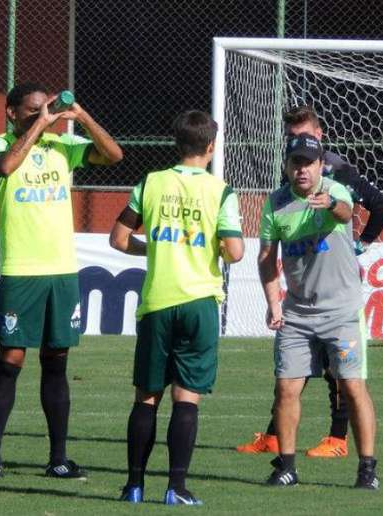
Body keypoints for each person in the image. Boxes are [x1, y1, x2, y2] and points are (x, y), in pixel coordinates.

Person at [0, 83, 123, 480]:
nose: (45, 113)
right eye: (33, 109)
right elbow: (5, 167)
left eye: (47, 108)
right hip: (21, 270)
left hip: (61, 271)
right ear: (12, 113)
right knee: (10, 363)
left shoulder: (64, 147)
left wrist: (83, 118)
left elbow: (114, 155)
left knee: (56, 363)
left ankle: (58, 458)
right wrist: (40, 125)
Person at [236, 105, 383, 458]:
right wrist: (274, 300)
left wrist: (359, 244)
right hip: (301, 297)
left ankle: (338, 439)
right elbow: (268, 252)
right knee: (291, 379)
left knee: (342, 377)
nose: (297, 147)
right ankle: (279, 442)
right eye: (290, 140)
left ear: (319, 140)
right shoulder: (285, 188)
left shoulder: (337, 175)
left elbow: (373, 207)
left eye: (302, 136)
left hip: (338, 292)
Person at [110, 110, 244, 505]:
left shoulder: (150, 183)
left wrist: (154, 247)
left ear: (176, 143)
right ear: (209, 147)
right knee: (186, 399)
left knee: (146, 397)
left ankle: (133, 485)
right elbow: (234, 252)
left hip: (158, 301)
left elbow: (118, 239)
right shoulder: (220, 191)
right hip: (198, 301)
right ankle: (176, 488)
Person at [258, 133, 378, 489]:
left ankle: (367, 469)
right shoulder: (276, 203)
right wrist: (273, 302)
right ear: (288, 166)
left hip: (341, 311)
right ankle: (287, 467)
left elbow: (347, 211)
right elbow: (266, 258)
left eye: (308, 163)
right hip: (296, 314)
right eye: (296, 163)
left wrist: (328, 205)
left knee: (352, 387)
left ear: (319, 165)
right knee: (286, 388)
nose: (302, 170)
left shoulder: (334, 191)